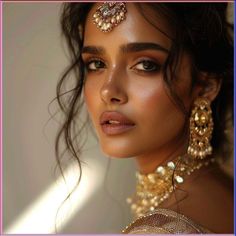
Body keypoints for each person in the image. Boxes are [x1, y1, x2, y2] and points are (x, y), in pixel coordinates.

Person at [56, 2, 234, 234]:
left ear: (205, 86)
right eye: (96, 64)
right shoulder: (219, 186)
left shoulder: (161, 229)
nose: (108, 91)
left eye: (145, 65)